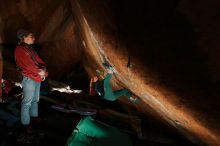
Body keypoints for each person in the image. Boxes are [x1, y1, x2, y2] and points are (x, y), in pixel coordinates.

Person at [14, 29, 48, 134]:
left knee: (35, 99)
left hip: (36, 77)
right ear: (23, 37)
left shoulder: (30, 49)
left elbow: (39, 61)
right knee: (27, 102)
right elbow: (28, 65)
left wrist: (44, 71)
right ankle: (26, 123)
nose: (33, 37)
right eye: (30, 35)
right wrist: (40, 72)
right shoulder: (20, 49)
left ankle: (34, 116)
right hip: (29, 79)